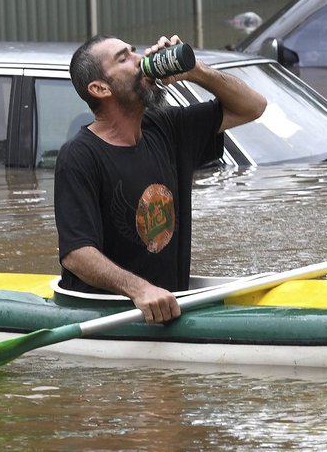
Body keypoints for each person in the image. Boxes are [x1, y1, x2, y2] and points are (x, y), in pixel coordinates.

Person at [54, 34, 267, 324]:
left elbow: (252, 107)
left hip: (170, 310)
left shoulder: (165, 127)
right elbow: (77, 254)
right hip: (109, 319)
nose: (140, 59)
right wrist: (140, 289)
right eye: (123, 58)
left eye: (134, 51)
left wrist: (197, 71)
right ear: (100, 88)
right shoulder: (79, 156)